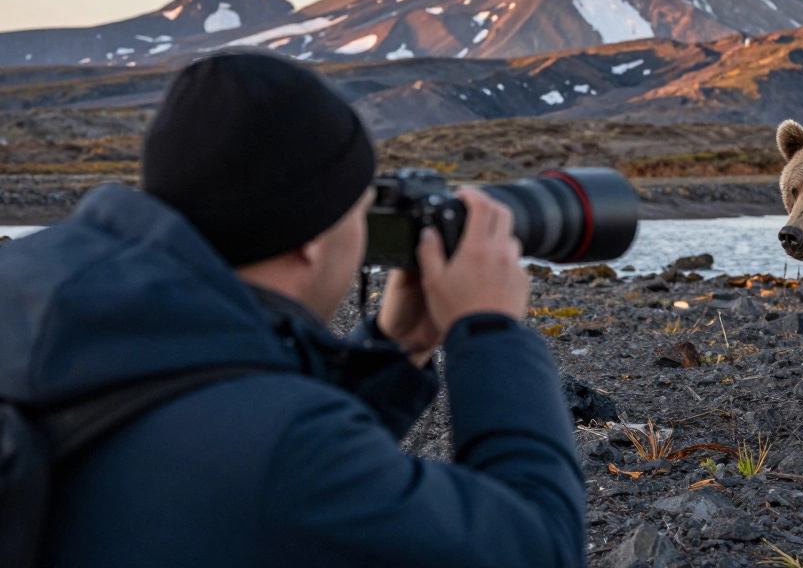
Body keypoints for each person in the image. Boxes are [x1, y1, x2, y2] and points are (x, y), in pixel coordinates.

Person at [0, 53, 585, 567]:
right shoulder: (280, 452)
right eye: (361, 212)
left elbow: (239, 437)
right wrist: (490, 331)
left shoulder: (53, 317)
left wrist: (391, 351)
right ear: (311, 240)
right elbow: (538, 547)